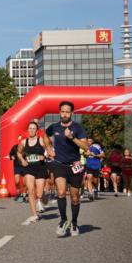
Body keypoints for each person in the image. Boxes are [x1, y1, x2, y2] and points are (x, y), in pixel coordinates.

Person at [45, 101, 89, 237]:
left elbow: (86, 146)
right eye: (62, 111)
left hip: (74, 166)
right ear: (59, 112)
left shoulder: (78, 128)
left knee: (75, 197)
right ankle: (63, 220)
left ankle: (74, 222)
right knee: (61, 192)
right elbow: (45, 135)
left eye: (67, 112)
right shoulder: (54, 127)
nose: (64, 114)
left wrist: (72, 138)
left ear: (72, 113)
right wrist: (49, 148)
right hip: (59, 164)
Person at [17, 122, 50, 223]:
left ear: (37, 130)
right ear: (28, 130)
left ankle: (44, 197)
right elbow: (18, 152)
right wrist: (22, 160)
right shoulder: (23, 142)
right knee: (30, 191)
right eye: (30, 128)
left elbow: (49, 150)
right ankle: (34, 215)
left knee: (39, 194)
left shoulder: (41, 140)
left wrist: (44, 156)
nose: (31, 130)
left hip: (40, 168)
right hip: (29, 169)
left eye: (33, 128)